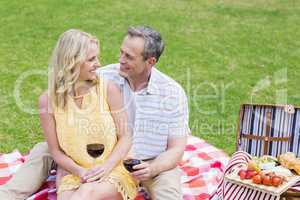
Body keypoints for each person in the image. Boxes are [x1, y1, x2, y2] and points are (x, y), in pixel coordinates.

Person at [0, 26, 189, 200]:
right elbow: (69, 88)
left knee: (169, 194)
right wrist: (74, 165)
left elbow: (176, 149)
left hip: (147, 160)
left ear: (150, 61)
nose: (120, 60)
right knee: (45, 149)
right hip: (95, 151)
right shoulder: (105, 75)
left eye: (129, 57)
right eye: (121, 52)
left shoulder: (172, 93)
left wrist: (152, 168)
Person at [39, 29, 137, 200]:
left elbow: (126, 136)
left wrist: (106, 166)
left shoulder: (108, 90)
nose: (98, 64)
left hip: (113, 167)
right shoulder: (47, 101)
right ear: (72, 62)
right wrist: (80, 171)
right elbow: (55, 151)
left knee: (86, 193)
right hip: (75, 171)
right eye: (91, 59)